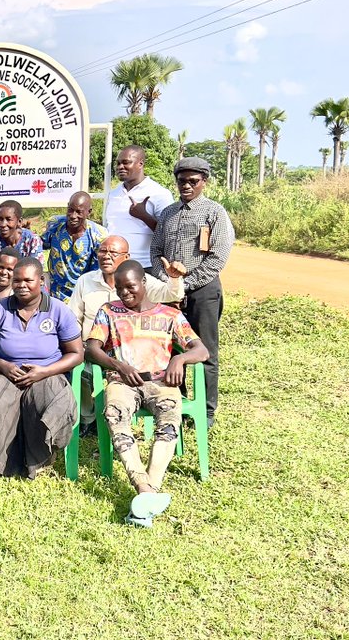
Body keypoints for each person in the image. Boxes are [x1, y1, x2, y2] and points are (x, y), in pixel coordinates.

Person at [85, 260, 209, 527]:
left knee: (169, 419)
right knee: (115, 414)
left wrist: (179, 360)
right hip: (122, 382)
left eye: (130, 287)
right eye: (119, 288)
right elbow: (92, 348)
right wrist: (118, 365)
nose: (124, 293)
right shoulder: (109, 311)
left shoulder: (170, 315)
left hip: (161, 383)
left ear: (144, 283)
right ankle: (143, 486)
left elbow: (201, 350)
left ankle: (148, 489)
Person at [0, 257, 83, 478]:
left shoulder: (58, 310)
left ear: (41, 281)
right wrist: (3, 366)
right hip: (7, 372)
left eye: (28, 280)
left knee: (55, 401)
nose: (21, 285)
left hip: (47, 372)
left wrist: (44, 372)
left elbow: (76, 354)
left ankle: (43, 456)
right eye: (17, 281)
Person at [67, 234, 186, 436]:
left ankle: (123, 413)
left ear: (126, 257)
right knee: (80, 369)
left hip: (129, 353)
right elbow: (73, 319)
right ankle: (88, 418)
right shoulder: (85, 281)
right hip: (93, 349)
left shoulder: (140, 280)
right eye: (102, 251)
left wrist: (174, 278)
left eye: (113, 252)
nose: (106, 256)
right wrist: (77, 346)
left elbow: (172, 295)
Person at [150, 157, 233, 428]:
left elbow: (218, 256)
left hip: (203, 291)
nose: (186, 185)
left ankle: (206, 412)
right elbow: (156, 251)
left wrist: (185, 284)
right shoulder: (168, 213)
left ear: (204, 182)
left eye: (193, 181)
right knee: (172, 348)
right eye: (181, 181)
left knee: (205, 350)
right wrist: (168, 282)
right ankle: (180, 403)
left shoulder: (214, 212)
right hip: (170, 292)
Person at [104, 145, 175, 271]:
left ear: (140, 164)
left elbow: (170, 234)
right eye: (118, 163)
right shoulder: (113, 194)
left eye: (126, 162)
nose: (120, 167)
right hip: (114, 267)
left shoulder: (159, 193)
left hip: (146, 266)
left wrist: (144, 216)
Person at [42, 191, 108, 302]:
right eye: (70, 210)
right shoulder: (55, 224)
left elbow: (96, 271)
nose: (73, 216)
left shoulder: (98, 235)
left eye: (79, 212)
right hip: (55, 293)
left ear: (89, 212)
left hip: (82, 294)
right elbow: (42, 244)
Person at [0, 200, 43, 279]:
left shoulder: (32, 240)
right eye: (0, 219)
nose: (3, 224)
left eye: (8, 219)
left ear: (19, 222)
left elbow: (35, 275)